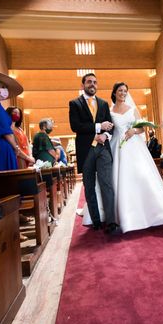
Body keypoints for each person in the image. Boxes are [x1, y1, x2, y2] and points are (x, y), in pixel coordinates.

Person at [83, 82, 163, 233]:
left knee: (141, 175)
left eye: (125, 91)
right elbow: (109, 128)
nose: (123, 93)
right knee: (113, 179)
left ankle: (154, 211)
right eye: (120, 90)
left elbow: (142, 127)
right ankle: (117, 215)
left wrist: (133, 131)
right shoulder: (109, 110)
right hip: (116, 146)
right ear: (114, 93)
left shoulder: (132, 109)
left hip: (133, 145)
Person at [69, 73, 117, 233]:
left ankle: (111, 222)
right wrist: (98, 127)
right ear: (83, 85)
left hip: (103, 148)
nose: (92, 84)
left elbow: (111, 126)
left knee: (106, 184)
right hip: (86, 150)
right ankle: (96, 221)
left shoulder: (103, 104)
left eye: (95, 82)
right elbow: (75, 126)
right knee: (89, 186)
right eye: (89, 82)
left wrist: (105, 134)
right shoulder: (75, 103)